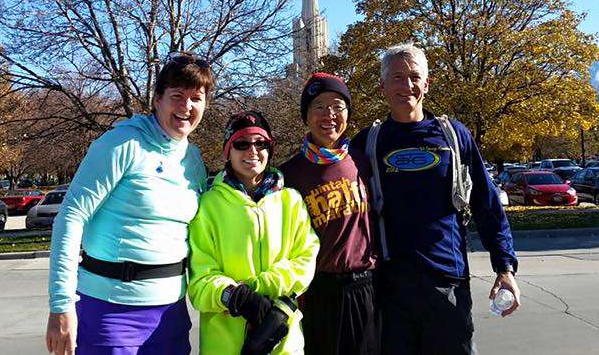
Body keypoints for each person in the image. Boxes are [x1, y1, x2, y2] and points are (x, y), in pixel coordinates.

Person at [351, 43, 520, 355]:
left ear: (426, 84)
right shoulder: (367, 143)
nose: (407, 85)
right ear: (382, 87)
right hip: (390, 288)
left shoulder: (454, 136)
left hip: (448, 284)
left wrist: (505, 267)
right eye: (397, 77)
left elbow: (487, 204)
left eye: (415, 77)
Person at [45, 53, 214, 355]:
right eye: (177, 96)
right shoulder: (121, 144)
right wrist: (61, 306)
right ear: (158, 99)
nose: (186, 107)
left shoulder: (194, 159)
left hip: (170, 315)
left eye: (196, 98)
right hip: (110, 312)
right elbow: (70, 217)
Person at [188, 110, 320, 354]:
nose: (252, 151)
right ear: (228, 151)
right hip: (225, 345)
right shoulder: (207, 206)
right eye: (241, 143)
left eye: (261, 143)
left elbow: (306, 259)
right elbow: (199, 283)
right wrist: (237, 297)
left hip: (284, 341)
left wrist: (261, 288)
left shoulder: (291, 201)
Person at [279, 73, 380, 355]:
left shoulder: (363, 160)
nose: (329, 115)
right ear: (306, 115)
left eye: (338, 106)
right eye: (319, 107)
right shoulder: (288, 174)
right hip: (317, 293)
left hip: (366, 287)